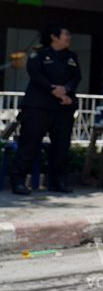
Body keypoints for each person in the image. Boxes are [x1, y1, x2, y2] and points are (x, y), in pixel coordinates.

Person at [10, 23, 80, 194]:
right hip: (38, 106)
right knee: (29, 144)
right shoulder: (39, 54)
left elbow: (76, 77)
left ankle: (59, 182)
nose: (69, 37)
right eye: (65, 34)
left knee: (61, 146)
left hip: (63, 107)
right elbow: (35, 74)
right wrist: (52, 89)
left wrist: (66, 91)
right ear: (54, 37)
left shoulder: (71, 56)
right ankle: (18, 181)